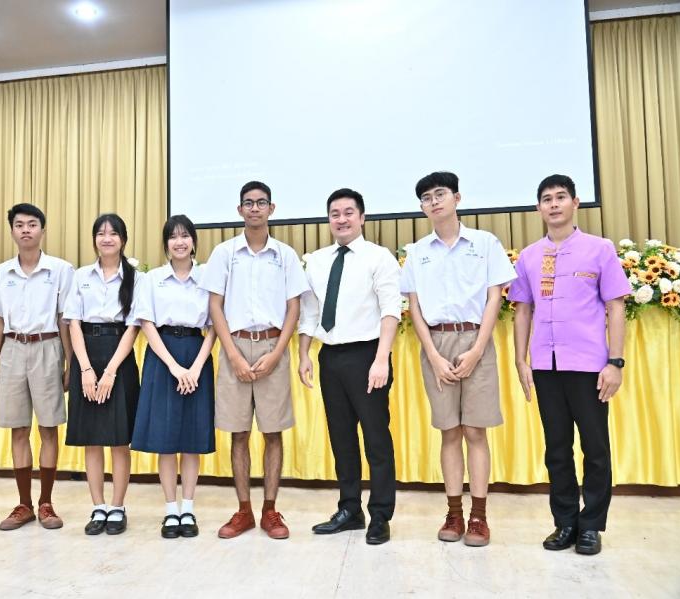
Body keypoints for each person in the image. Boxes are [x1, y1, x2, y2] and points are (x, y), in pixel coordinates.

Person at [509, 174, 631, 556]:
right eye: (547, 199)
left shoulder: (600, 249)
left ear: (575, 203)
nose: (554, 204)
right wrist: (520, 359)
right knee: (557, 448)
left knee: (595, 447)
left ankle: (591, 525)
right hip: (546, 366)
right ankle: (565, 522)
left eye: (561, 197)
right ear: (538, 208)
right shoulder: (529, 256)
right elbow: (522, 310)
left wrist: (615, 362)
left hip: (589, 366)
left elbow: (615, 307)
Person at [399, 172, 516, 547]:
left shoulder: (484, 243)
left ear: (457, 198)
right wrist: (433, 355)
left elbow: (495, 297)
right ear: (422, 207)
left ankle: (479, 516)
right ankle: (454, 513)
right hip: (436, 344)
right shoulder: (418, 251)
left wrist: (478, 349)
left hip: (476, 340)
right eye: (426, 198)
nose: (434, 201)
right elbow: (414, 307)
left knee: (475, 431)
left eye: (440, 194)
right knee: (449, 432)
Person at [199, 180, 309, 540]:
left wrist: (277, 353)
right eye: (249, 203)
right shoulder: (224, 253)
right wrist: (231, 353)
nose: (255, 208)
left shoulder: (285, 255)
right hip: (235, 346)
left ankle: (270, 510)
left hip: (273, 347)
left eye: (262, 203)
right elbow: (215, 306)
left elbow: (294, 307)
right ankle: (244, 510)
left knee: (273, 432)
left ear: (271, 209)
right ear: (240, 210)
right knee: (239, 433)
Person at [298, 188, 402, 545]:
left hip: (368, 356)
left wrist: (381, 359)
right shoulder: (317, 260)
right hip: (331, 358)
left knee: (376, 438)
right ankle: (350, 509)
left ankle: (381, 515)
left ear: (362, 217)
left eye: (348, 213)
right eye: (335, 214)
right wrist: (304, 354)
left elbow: (391, 310)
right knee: (341, 438)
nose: (341, 220)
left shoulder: (379, 257)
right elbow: (310, 312)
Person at [0, 203, 74, 531]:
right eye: (19, 225)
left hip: (48, 347)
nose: (25, 230)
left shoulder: (61, 270)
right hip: (12, 349)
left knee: (48, 428)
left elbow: (65, 319)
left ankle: (46, 502)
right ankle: (24, 504)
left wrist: (70, 363)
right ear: (12, 231)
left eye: (32, 224)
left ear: (42, 230)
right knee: (18, 429)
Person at [131, 215, 217, 538]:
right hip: (162, 357)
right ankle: (170, 510)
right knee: (166, 440)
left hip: (197, 353)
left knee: (191, 439)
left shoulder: (207, 278)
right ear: (166, 244)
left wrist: (195, 367)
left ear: (194, 241)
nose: (179, 242)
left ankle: (188, 509)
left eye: (185, 236)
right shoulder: (152, 279)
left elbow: (214, 326)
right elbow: (147, 324)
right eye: (173, 237)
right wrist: (174, 367)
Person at [64, 214, 142, 536]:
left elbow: (134, 327)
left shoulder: (136, 278)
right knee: (92, 439)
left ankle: (118, 506)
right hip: (87, 353)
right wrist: (84, 368)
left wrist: (110, 371)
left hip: (119, 357)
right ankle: (98, 506)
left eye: (113, 233)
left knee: (119, 440)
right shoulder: (81, 276)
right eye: (100, 233)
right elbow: (73, 322)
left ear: (123, 239)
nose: (106, 238)